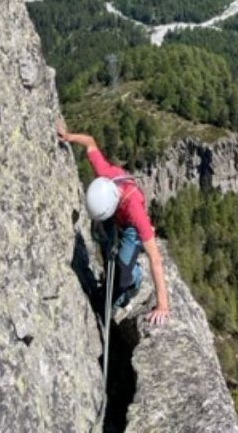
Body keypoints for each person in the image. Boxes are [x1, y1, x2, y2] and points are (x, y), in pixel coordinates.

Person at [58, 124, 170, 325]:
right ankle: (110, 276)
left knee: (122, 276)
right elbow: (90, 142)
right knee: (106, 248)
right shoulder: (104, 175)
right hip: (112, 214)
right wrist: (69, 137)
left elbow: (155, 258)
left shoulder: (135, 211)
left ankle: (133, 280)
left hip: (130, 228)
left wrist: (162, 305)